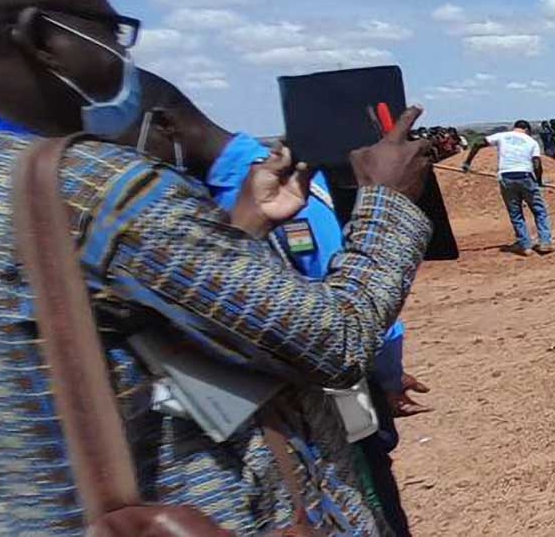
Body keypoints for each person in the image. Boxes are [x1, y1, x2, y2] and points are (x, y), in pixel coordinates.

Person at [0, 0, 432, 535]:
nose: (119, 52)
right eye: (107, 29)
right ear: (40, 36)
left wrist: (239, 225)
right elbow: (335, 341)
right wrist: (387, 200)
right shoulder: (98, 188)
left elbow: (123, 317)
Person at [126, 72, 427, 536]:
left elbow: (336, 289)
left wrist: (385, 369)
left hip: (329, 411)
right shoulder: (220, 196)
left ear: (164, 126)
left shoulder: (287, 189)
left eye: (123, 146)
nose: (126, 166)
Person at [462, 120, 554, 256]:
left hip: (506, 177)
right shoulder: (531, 142)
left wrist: (467, 163)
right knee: (539, 211)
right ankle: (545, 242)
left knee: (516, 213)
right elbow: (536, 163)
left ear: (514, 128)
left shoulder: (502, 136)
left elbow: (477, 143)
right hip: (526, 176)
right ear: (527, 130)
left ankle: (525, 246)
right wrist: (539, 181)